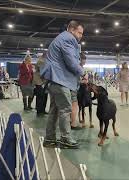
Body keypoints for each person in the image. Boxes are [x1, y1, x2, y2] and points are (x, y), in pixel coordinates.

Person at [40, 20, 84, 149]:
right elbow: (71, 61)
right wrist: (82, 73)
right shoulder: (68, 39)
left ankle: (49, 139)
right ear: (71, 30)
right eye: (79, 33)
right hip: (60, 80)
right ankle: (65, 138)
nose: (81, 36)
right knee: (65, 109)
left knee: (54, 110)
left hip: (55, 80)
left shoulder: (61, 38)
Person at [71, 52, 87, 129]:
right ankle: (73, 124)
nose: (85, 61)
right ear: (80, 59)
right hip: (73, 88)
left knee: (72, 106)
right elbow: (74, 79)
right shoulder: (77, 67)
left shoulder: (79, 67)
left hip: (76, 88)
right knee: (74, 106)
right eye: (84, 59)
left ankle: (72, 120)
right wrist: (82, 81)